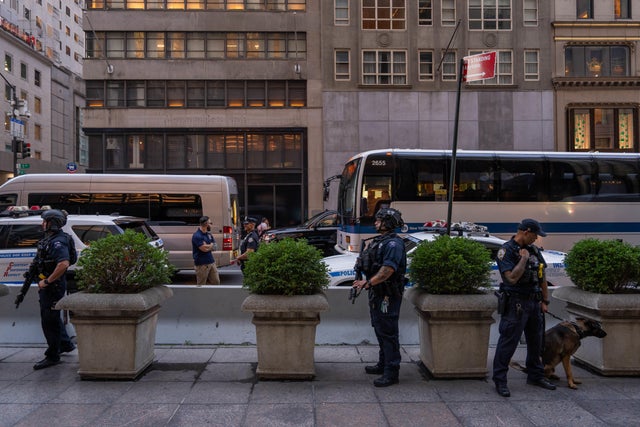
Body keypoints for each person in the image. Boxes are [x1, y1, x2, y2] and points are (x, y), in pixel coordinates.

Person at [492, 218, 556, 397]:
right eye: (535, 235)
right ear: (526, 231)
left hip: (534, 303)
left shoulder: (534, 250)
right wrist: (523, 260)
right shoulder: (507, 250)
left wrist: (545, 301)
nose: (536, 239)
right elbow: (511, 278)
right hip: (516, 303)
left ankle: (536, 375)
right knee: (508, 342)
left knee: (536, 343)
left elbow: (542, 275)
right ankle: (500, 380)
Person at [14, 209, 76, 370]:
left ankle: (52, 355)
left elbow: (64, 264)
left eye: (45, 221)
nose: (42, 224)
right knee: (52, 317)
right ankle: (65, 344)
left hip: (52, 287)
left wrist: (47, 281)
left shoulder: (58, 241)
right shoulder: (50, 239)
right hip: (50, 285)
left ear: (52, 223)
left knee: (49, 321)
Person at [352, 208, 406, 387]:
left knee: (389, 333)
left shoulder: (393, 244)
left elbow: (387, 271)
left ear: (388, 223)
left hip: (388, 295)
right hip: (378, 293)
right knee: (380, 329)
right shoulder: (379, 242)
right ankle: (383, 364)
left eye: (379, 220)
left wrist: (367, 283)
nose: (375, 223)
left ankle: (392, 372)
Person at [191, 216, 220, 286]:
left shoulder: (209, 234)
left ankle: (215, 297)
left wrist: (208, 246)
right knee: (201, 285)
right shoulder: (197, 236)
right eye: (210, 223)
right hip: (201, 264)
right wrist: (210, 245)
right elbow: (203, 249)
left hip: (211, 262)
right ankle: (200, 297)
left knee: (216, 283)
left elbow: (215, 247)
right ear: (206, 224)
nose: (211, 225)